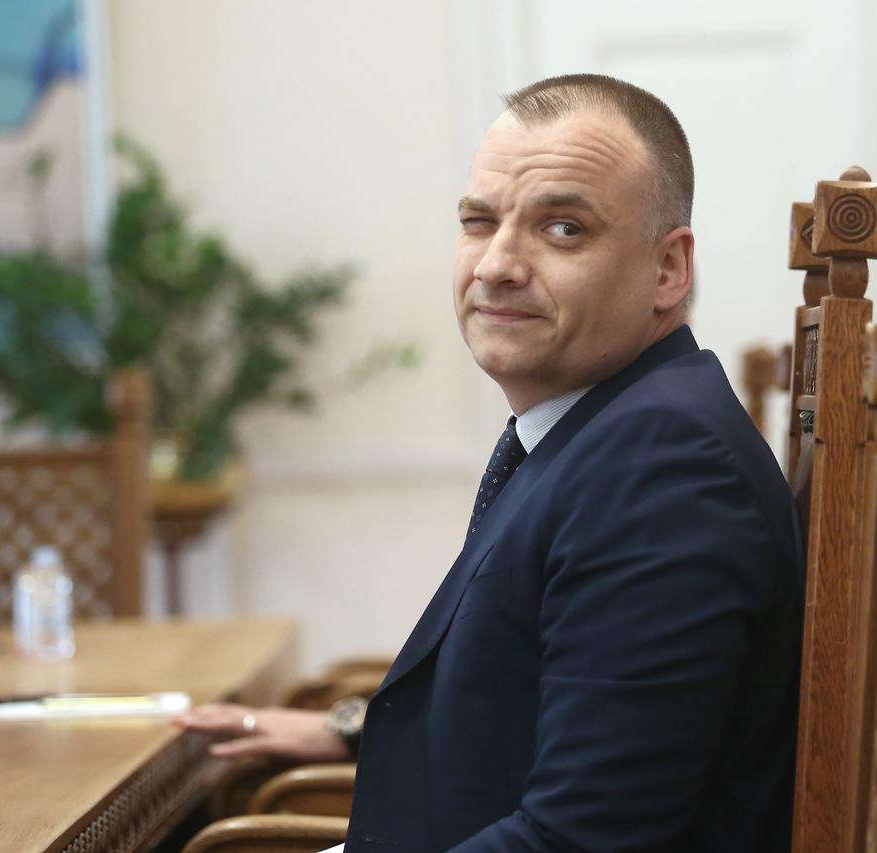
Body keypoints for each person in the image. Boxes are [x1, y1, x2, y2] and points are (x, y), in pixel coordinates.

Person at [177, 73, 803, 851]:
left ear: (669, 270)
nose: (497, 264)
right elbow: (533, 687)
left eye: (563, 228)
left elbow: (580, 840)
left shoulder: (667, 467)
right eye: (479, 222)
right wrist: (353, 729)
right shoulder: (606, 427)